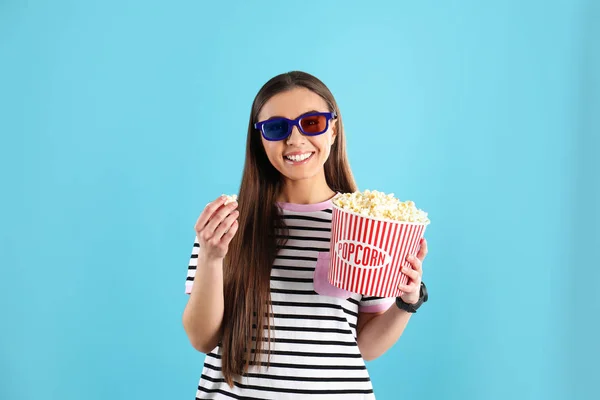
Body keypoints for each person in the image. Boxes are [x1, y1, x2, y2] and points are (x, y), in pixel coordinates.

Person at [182, 71, 429, 399]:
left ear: (333, 129)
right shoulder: (227, 223)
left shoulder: (369, 223)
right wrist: (212, 257)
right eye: (276, 128)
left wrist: (406, 302)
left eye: (311, 123)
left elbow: (365, 346)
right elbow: (202, 338)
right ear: (260, 138)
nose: (295, 140)